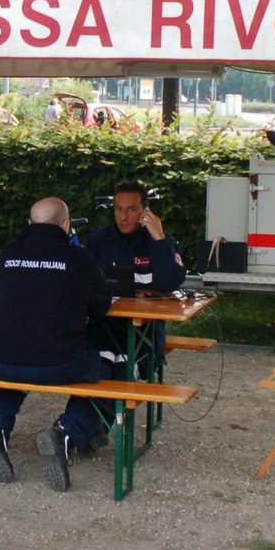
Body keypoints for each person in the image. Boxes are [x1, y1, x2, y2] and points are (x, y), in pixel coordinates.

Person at [0, 197, 111, 493]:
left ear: (29, 224)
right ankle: (66, 432)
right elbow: (102, 306)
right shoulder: (79, 259)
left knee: (16, 360)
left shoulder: (8, 253)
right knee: (109, 368)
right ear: (66, 225)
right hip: (58, 363)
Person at [82, 181, 187, 445]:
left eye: (131, 209)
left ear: (144, 212)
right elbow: (79, 280)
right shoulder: (98, 240)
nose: (123, 216)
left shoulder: (159, 240)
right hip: (105, 327)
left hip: (145, 332)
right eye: (118, 209)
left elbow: (171, 281)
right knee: (97, 367)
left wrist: (159, 238)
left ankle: (87, 428)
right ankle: (84, 428)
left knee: (123, 370)